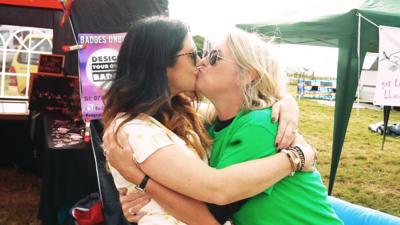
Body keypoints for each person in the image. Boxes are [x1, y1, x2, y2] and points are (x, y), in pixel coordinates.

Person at [102, 16, 316, 225]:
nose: (201, 62)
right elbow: (213, 197)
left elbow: (213, 209)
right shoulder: (146, 129)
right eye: (194, 54)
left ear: (246, 75)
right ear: (161, 63)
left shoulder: (252, 123)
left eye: (213, 56)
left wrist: (286, 103)